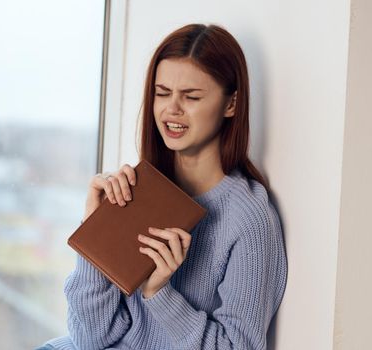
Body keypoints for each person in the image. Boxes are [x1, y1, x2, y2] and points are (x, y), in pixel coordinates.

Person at [37, 23, 288, 350]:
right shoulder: (142, 190)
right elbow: (90, 338)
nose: (172, 109)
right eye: (162, 93)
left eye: (191, 96)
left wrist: (159, 293)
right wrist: (94, 235)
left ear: (231, 104)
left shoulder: (249, 220)